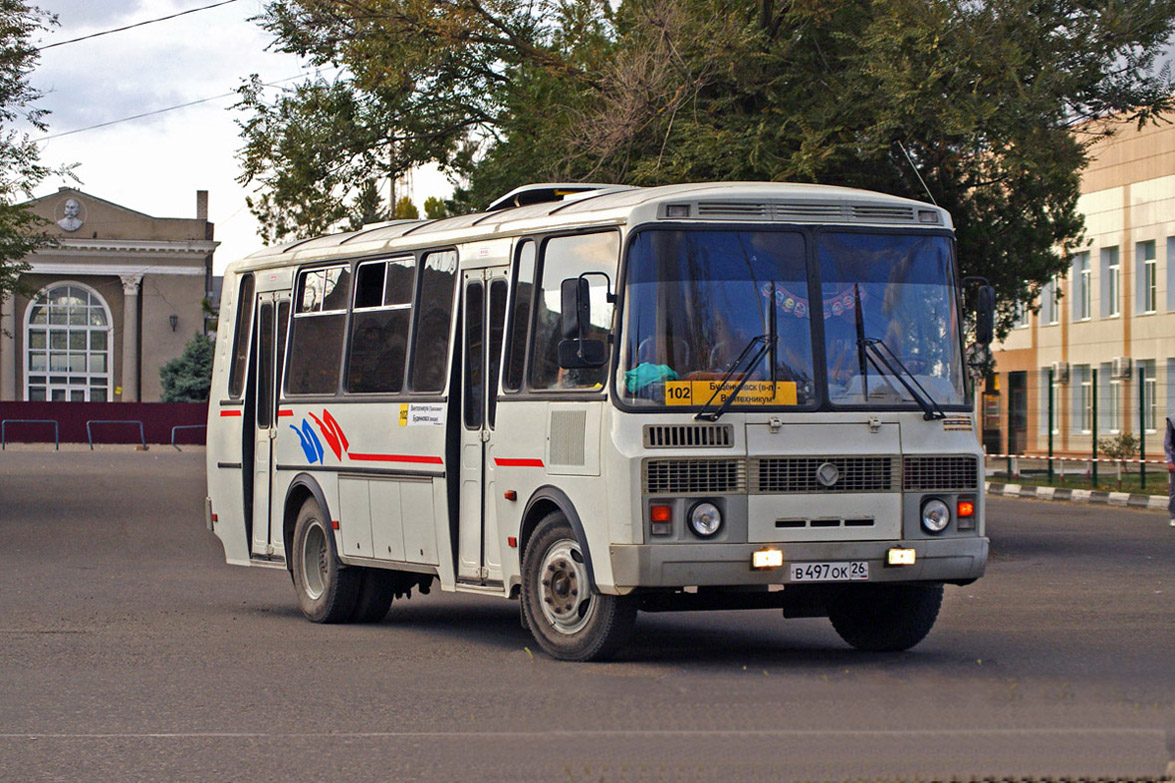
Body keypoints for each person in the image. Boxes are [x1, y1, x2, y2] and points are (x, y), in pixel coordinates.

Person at [1165, 415, 1175, 526]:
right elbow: (1167, 442)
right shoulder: (1172, 421)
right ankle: (1173, 516)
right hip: (1174, 457)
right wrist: (1170, 461)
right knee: (1174, 489)